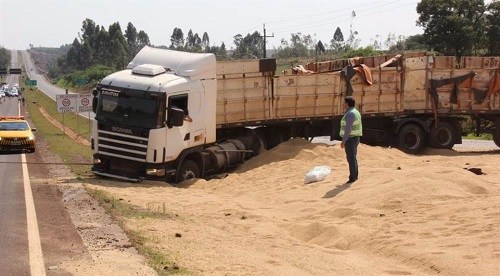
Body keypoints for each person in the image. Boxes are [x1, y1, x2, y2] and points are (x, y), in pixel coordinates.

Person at [339, 96, 363, 184]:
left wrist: (344, 141)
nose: (343, 104)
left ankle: (352, 177)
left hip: (350, 139)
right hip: (355, 138)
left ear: (347, 104)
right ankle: (355, 176)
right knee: (353, 158)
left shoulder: (350, 114)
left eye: (344, 103)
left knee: (351, 158)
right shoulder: (355, 112)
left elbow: (348, 129)